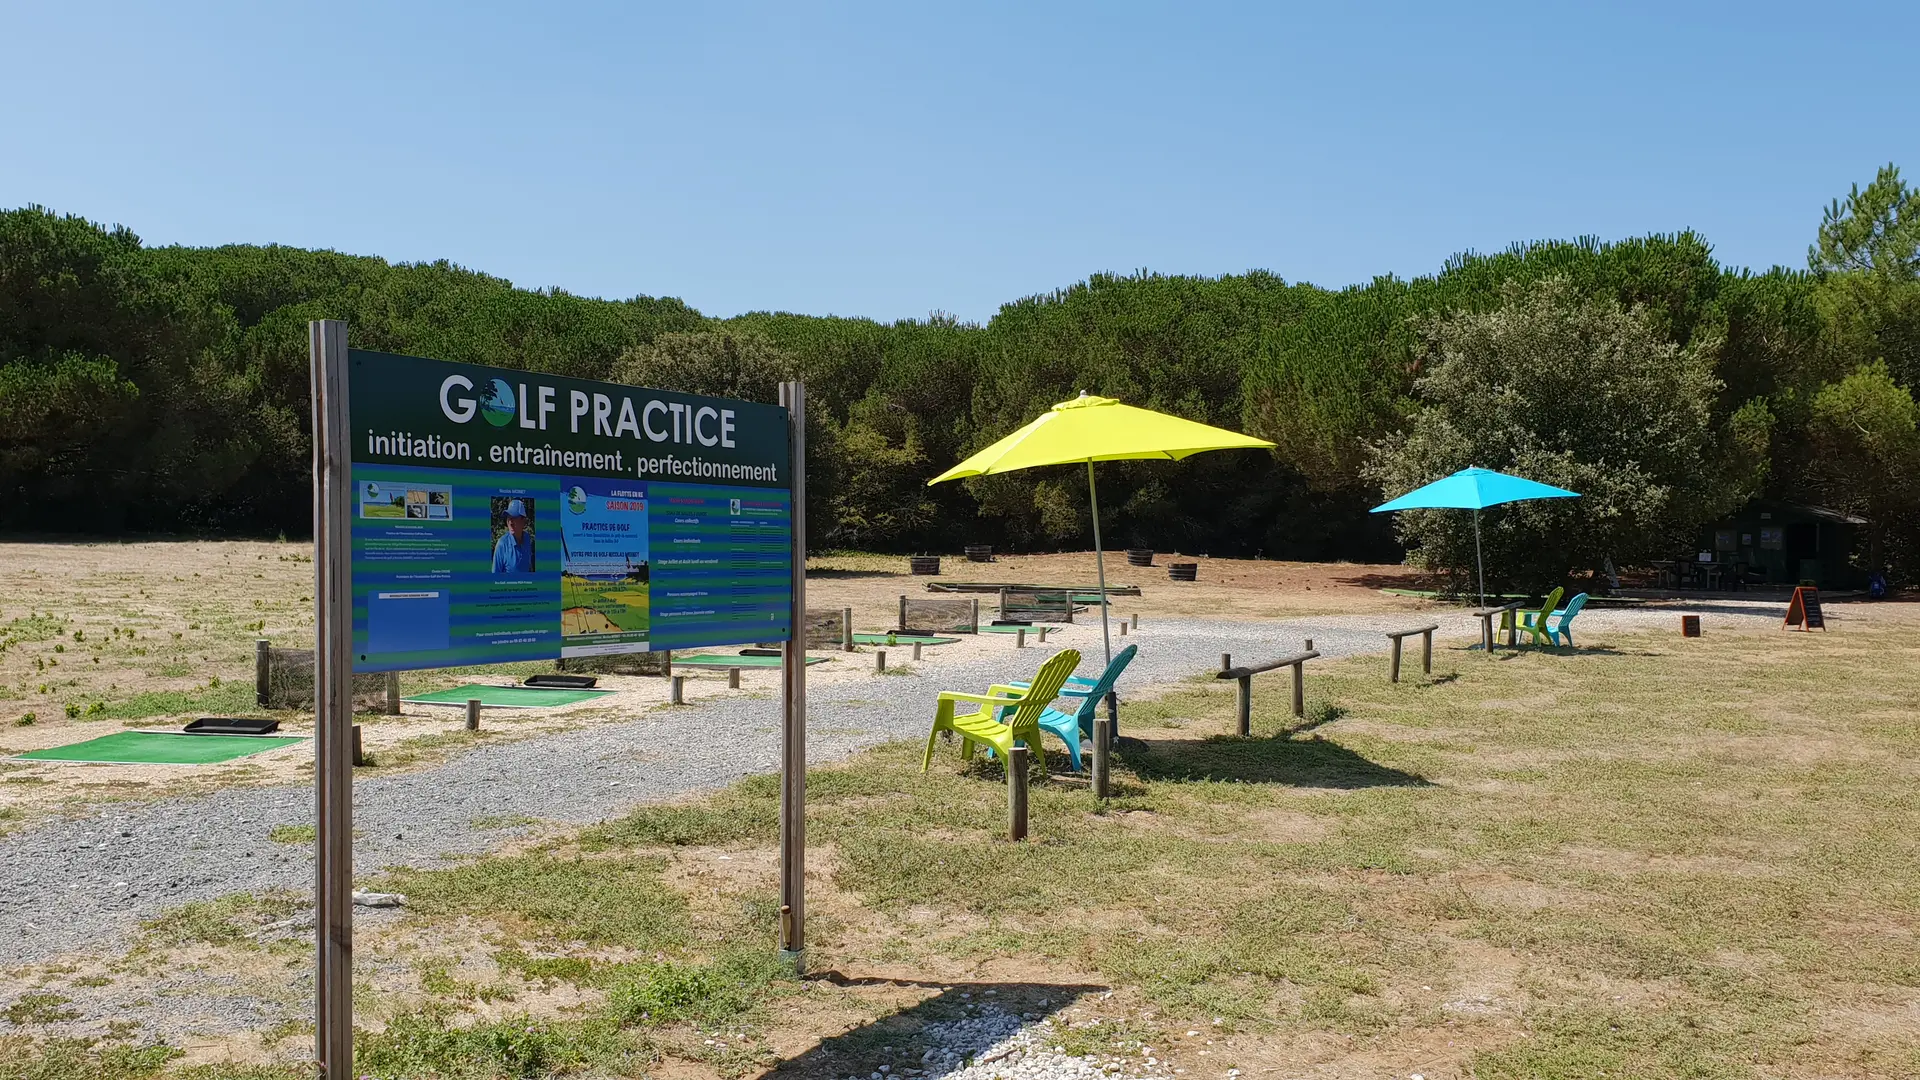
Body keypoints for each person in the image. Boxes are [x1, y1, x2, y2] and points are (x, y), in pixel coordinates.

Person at [492, 499, 535, 573]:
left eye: (514, 518)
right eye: (508, 517)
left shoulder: (527, 538)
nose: (510, 522)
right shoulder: (502, 544)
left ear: (523, 521)